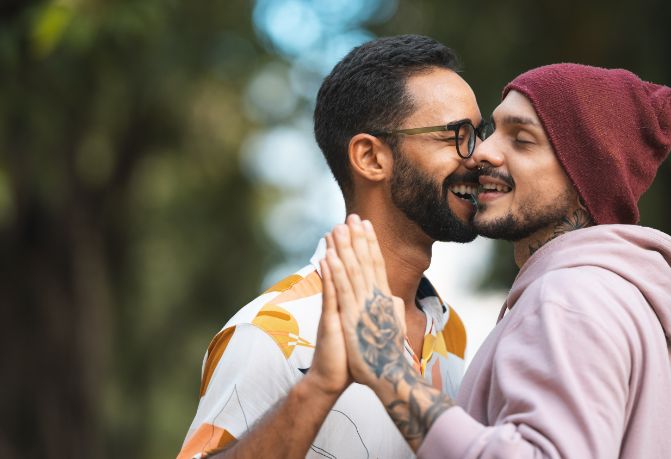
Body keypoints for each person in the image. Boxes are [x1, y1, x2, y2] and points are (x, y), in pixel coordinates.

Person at [320, 63, 671, 458]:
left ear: (584, 180)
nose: (482, 151)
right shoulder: (634, 307)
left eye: (522, 140)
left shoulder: (569, 297)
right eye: (492, 131)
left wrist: (387, 370)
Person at [176, 35, 485, 459]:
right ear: (371, 158)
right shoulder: (270, 332)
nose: (482, 156)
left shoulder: (452, 333)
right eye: (458, 135)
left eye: (479, 134)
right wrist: (319, 383)